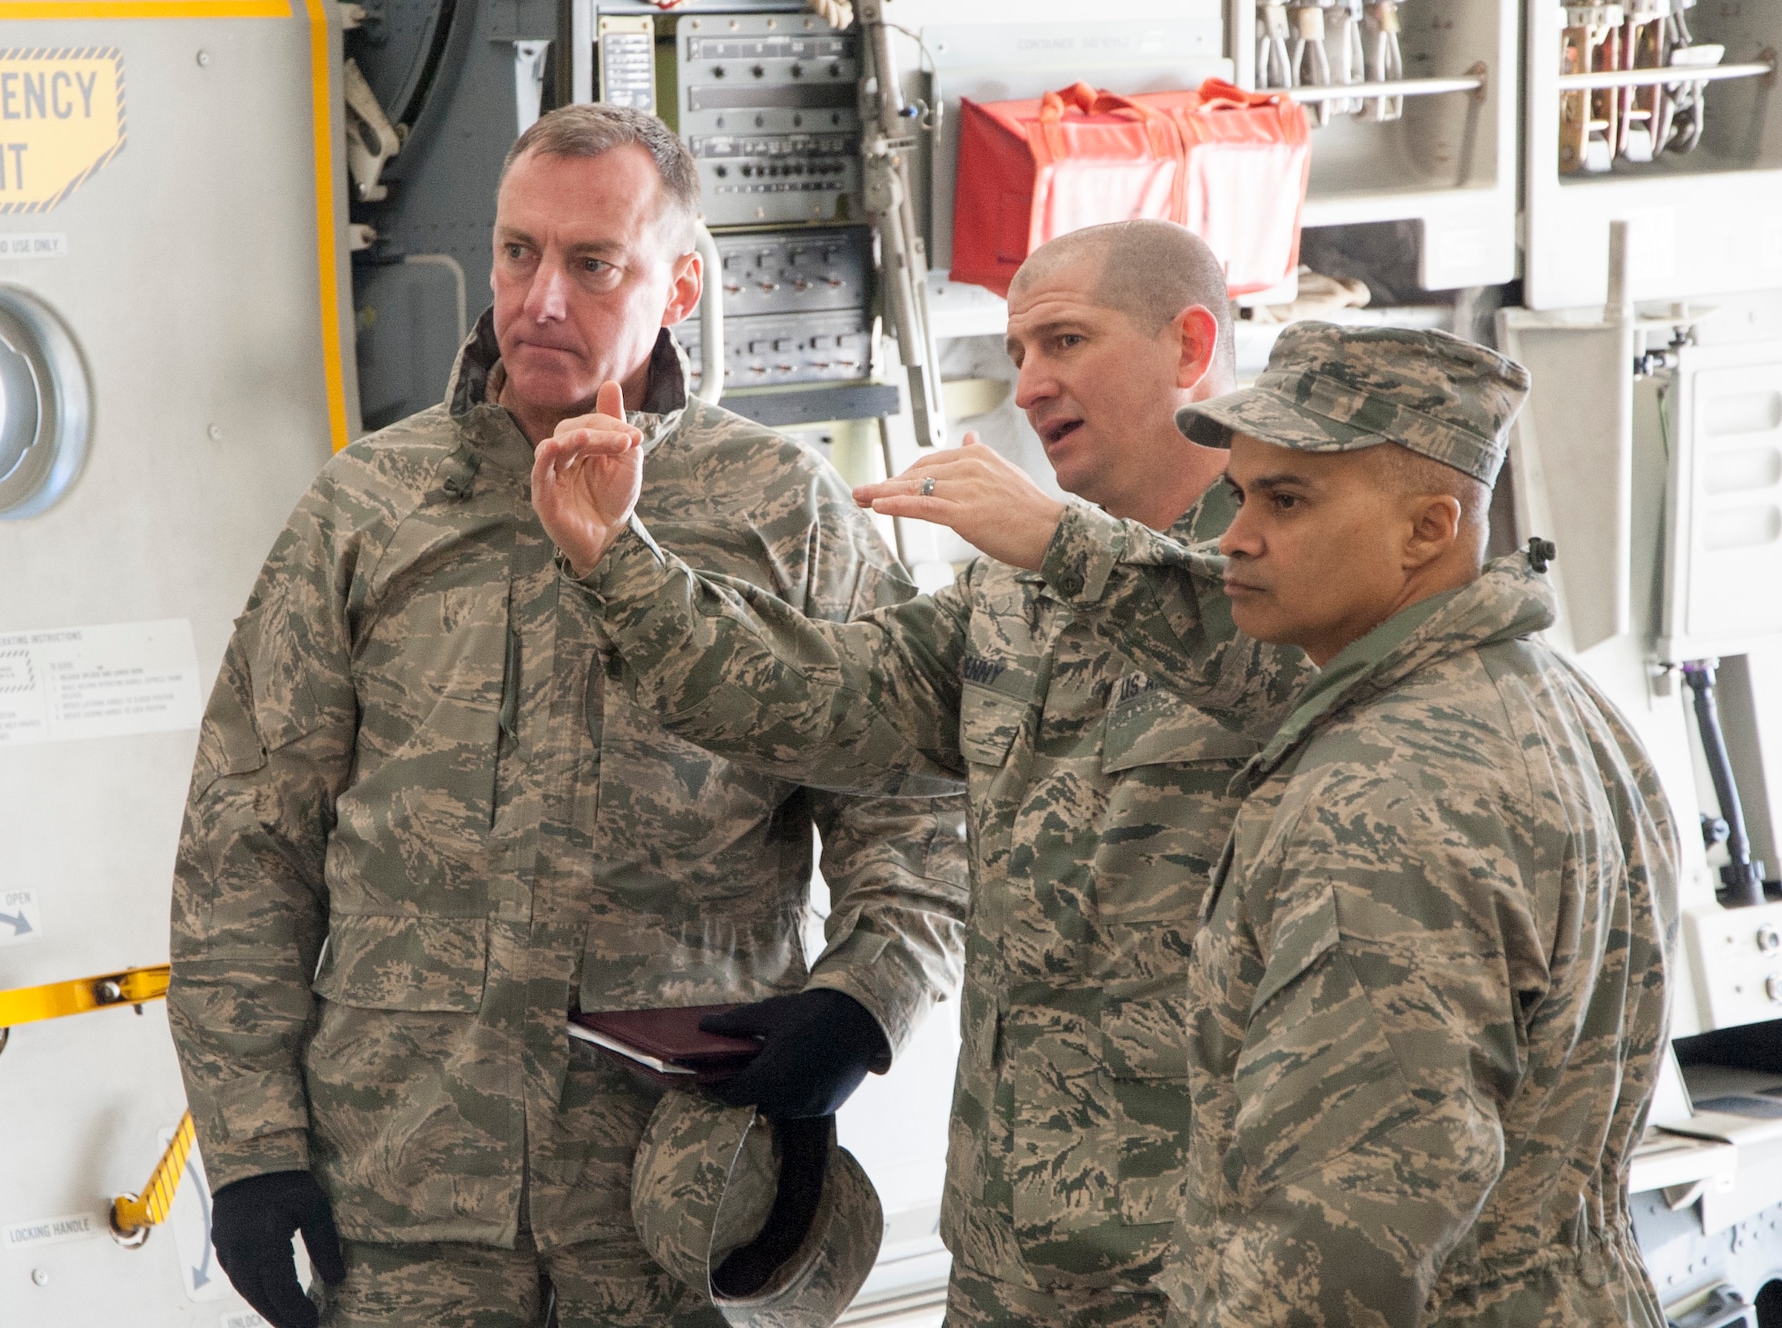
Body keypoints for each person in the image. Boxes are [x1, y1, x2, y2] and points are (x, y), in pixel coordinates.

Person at [165, 103, 966, 1328]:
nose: (537, 298)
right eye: (516, 252)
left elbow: (912, 810)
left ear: (680, 283)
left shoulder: (781, 513)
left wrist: (862, 1004)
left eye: (592, 263)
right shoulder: (370, 509)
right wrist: (250, 1147)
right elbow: (245, 846)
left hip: (670, 1209)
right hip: (403, 1201)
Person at [531, 219, 1312, 1327]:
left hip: (1215, 1270)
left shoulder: (1300, 568)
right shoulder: (1017, 594)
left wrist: (1061, 544)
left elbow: (1285, 670)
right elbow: (820, 695)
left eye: (1064, 341)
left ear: (1189, 344)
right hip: (1016, 1258)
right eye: (1016, 353)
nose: (1030, 384)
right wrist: (622, 564)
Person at [859, 321, 1683, 1323]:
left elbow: (1345, 1228)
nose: (1237, 535)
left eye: (1287, 499)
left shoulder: (1381, 787)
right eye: (1241, 492)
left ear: (1426, 528)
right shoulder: (1558, 706)